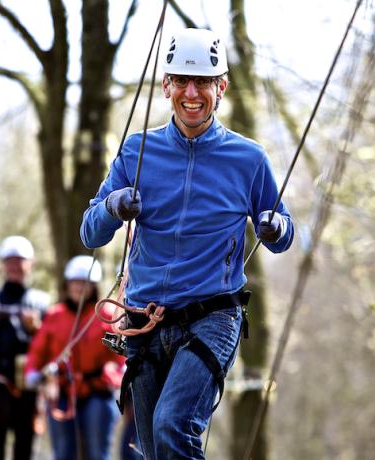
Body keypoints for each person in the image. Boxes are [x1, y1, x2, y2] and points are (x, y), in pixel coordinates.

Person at [80, 28, 294, 459]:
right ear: (166, 86)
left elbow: (282, 231)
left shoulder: (249, 159)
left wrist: (276, 228)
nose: (191, 93)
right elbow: (90, 232)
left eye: (203, 83)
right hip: (145, 319)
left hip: (213, 315)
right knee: (156, 447)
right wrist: (113, 207)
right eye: (181, 80)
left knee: (172, 424)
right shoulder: (137, 151)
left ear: (222, 87)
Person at [24, 255, 125, 460]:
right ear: (67, 285)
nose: (80, 287)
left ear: (94, 286)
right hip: (61, 391)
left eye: (85, 283)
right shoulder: (55, 315)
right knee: (63, 453)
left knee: (98, 453)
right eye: (75, 282)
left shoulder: (107, 314)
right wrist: (33, 372)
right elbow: (37, 350)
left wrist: (112, 375)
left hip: (97, 391)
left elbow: (120, 357)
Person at [0, 235, 50, 460]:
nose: (15, 266)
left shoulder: (41, 302)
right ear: (2, 265)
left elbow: (51, 348)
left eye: (20, 261)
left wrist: (36, 329)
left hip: (30, 387)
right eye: (11, 261)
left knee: (24, 449)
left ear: (31, 264)